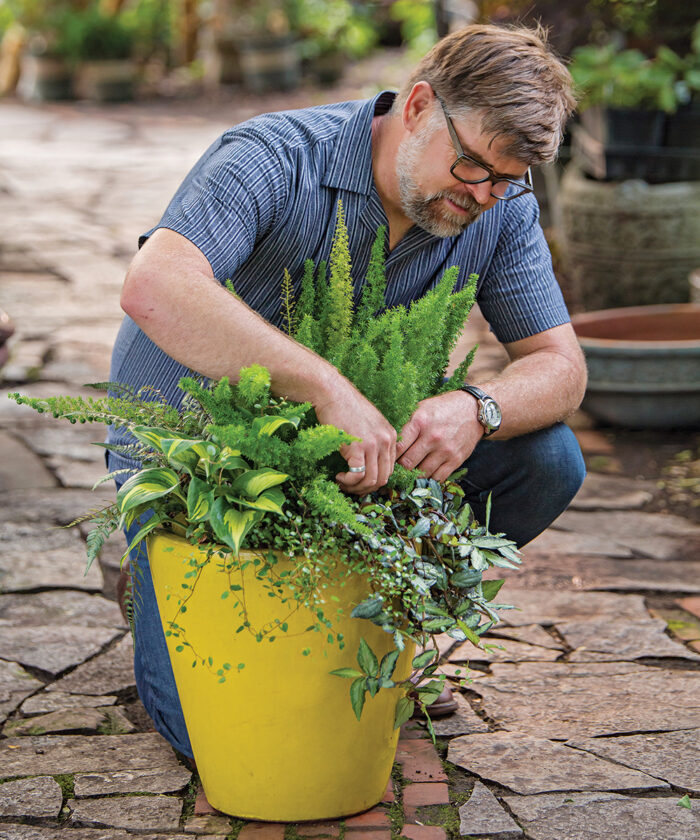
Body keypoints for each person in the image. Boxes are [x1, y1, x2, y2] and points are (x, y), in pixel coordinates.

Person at [111, 23, 587, 758]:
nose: (485, 195)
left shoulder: (498, 208)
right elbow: (154, 286)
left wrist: (477, 407)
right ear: (421, 105)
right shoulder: (273, 157)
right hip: (207, 464)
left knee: (548, 458)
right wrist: (321, 383)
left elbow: (562, 367)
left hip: (363, 460)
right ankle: (159, 572)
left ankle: (379, 639)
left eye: (507, 180)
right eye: (471, 167)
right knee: (218, 740)